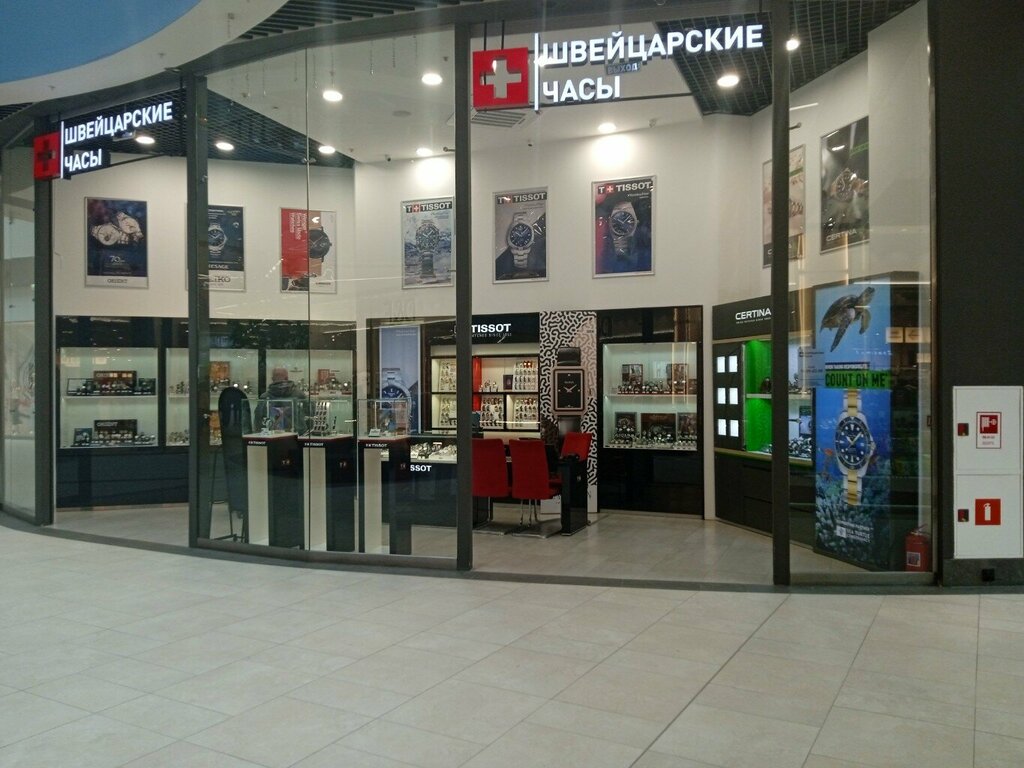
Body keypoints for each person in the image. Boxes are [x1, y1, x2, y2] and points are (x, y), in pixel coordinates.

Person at [254, 367, 308, 433]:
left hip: (271, 436)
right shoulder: (299, 395)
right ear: (287, 378)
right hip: (297, 435)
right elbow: (309, 416)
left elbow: (258, 420)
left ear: (272, 379)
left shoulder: (264, 397)